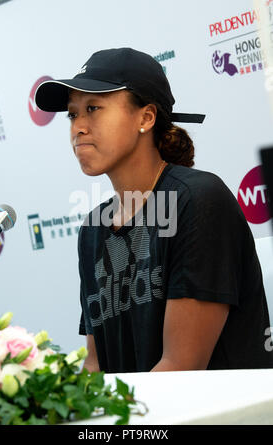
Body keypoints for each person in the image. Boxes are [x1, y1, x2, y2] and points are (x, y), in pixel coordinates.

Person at [35, 47, 273, 373]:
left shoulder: (198, 200)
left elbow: (181, 368)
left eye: (93, 108)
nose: (78, 127)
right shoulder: (93, 229)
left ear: (146, 118)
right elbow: (95, 364)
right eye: (73, 114)